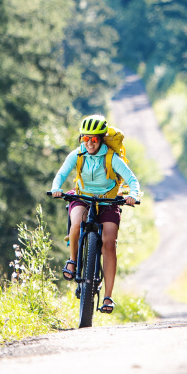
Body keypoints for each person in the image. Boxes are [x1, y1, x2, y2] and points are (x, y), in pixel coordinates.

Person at [49, 114, 140, 314]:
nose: (89, 143)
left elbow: (132, 180)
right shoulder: (77, 155)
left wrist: (132, 195)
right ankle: (72, 261)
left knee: (109, 243)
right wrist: (56, 187)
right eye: (85, 138)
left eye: (94, 139)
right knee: (76, 224)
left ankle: (107, 297)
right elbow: (62, 174)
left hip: (108, 200)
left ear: (101, 139)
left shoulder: (111, 158)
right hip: (83, 197)